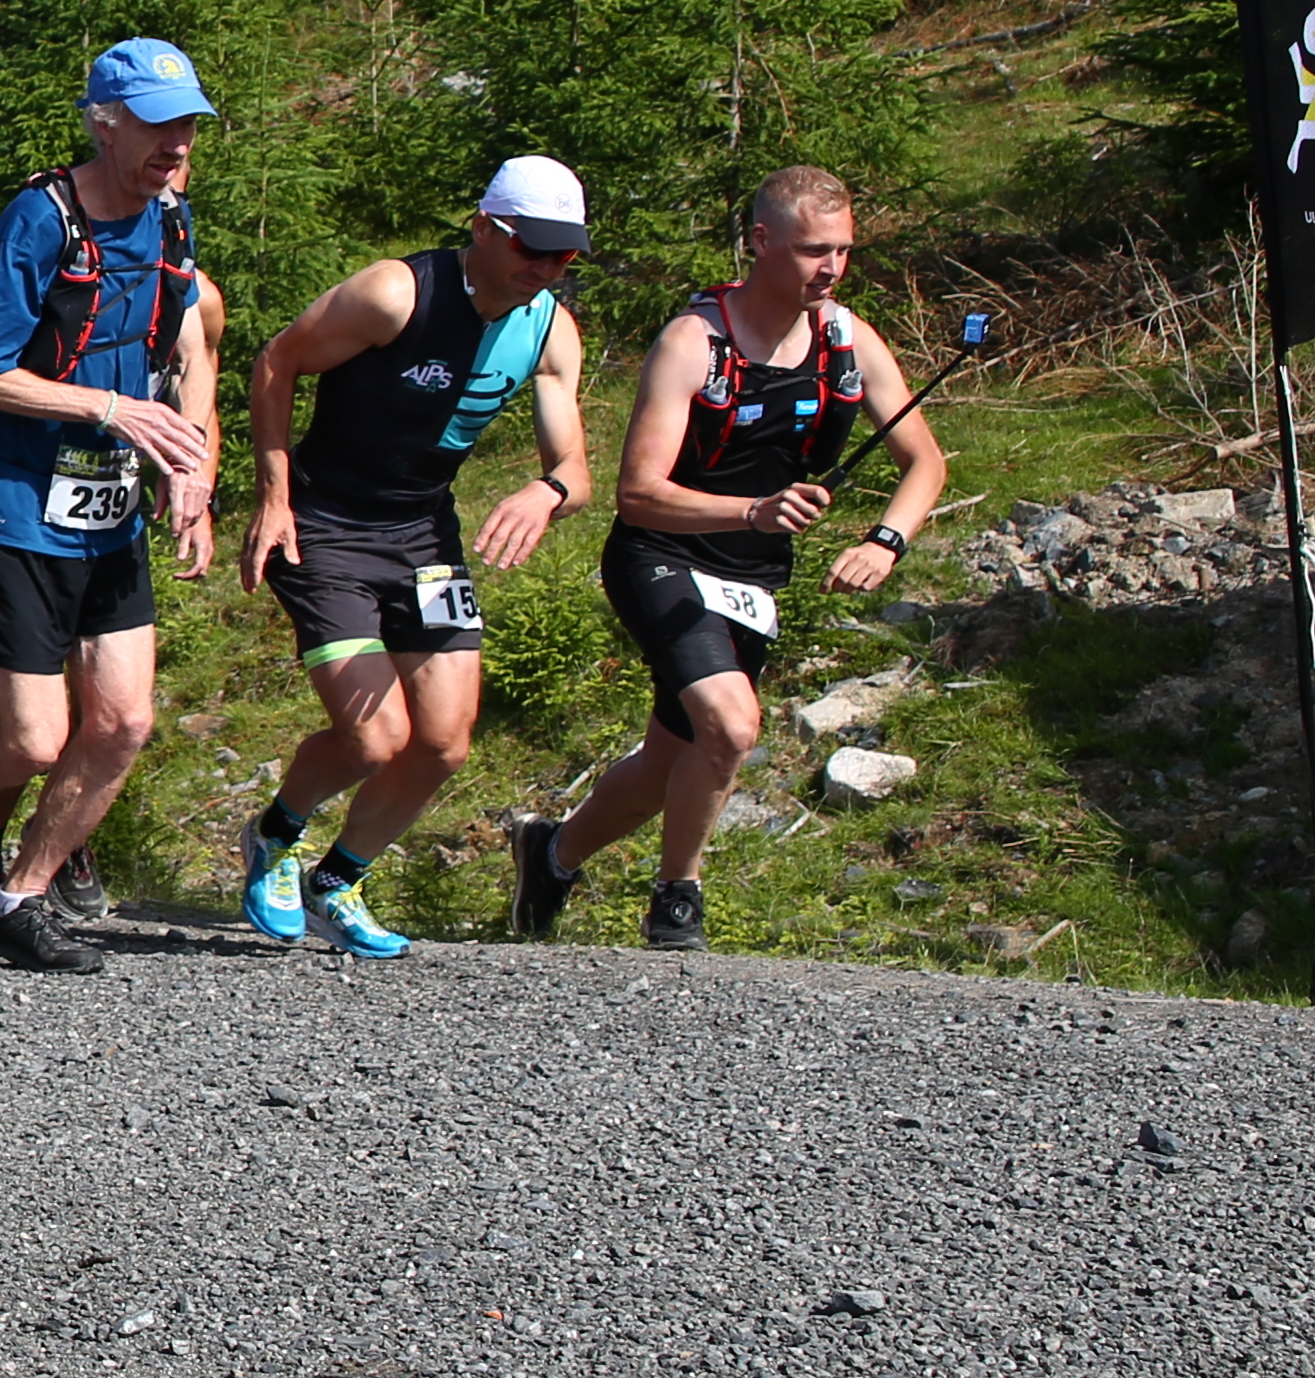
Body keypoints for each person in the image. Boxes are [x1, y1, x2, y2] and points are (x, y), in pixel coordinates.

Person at [510, 164, 945, 953]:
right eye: (815, 249)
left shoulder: (847, 339)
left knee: (673, 759)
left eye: (844, 250)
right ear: (760, 243)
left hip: (753, 576)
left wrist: (885, 541)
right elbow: (637, 492)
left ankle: (552, 853)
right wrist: (754, 510)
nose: (832, 268)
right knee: (733, 726)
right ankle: (678, 897)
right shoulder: (694, 340)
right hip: (660, 555)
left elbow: (926, 463)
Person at [0, 40, 222, 967]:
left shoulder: (172, 219)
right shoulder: (41, 219)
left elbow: (189, 350)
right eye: (158, 125)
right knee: (31, 737)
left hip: (112, 509)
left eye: (187, 126)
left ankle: (18, 895)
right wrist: (107, 406)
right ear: (105, 124)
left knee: (125, 722)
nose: (176, 146)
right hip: (12, 503)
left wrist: (192, 469)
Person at [238, 158, 597, 957]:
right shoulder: (395, 294)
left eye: (563, 256)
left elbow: (575, 471)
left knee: (442, 743)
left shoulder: (548, 327)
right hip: (325, 524)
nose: (546, 270)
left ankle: (340, 879)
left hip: (422, 534)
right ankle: (273, 835)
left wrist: (547, 493)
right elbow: (277, 361)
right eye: (532, 249)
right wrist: (272, 495)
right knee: (372, 738)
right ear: (484, 227)